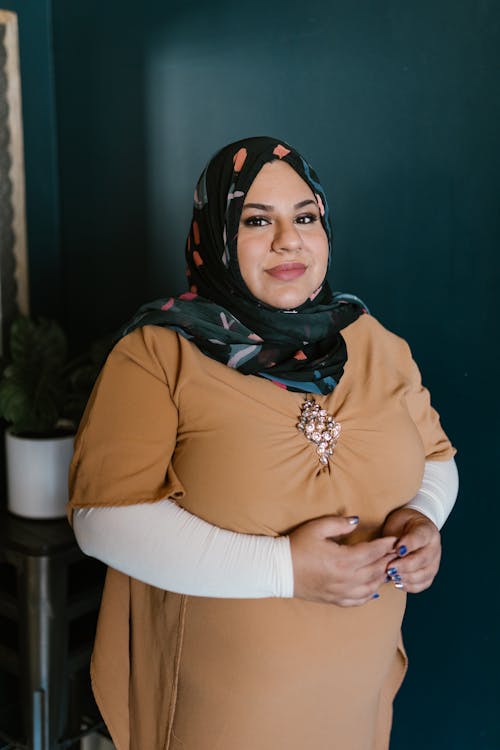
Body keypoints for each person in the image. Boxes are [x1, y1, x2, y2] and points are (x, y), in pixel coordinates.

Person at [68, 136, 458, 750]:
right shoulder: (157, 353)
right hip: (221, 705)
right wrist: (286, 570)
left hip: (352, 691)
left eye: (305, 217)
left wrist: (424, 518)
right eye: (257, 220)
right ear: (216, 235)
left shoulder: (374, 340)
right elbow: (103, 519)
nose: (288, 240)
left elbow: (437, 459)